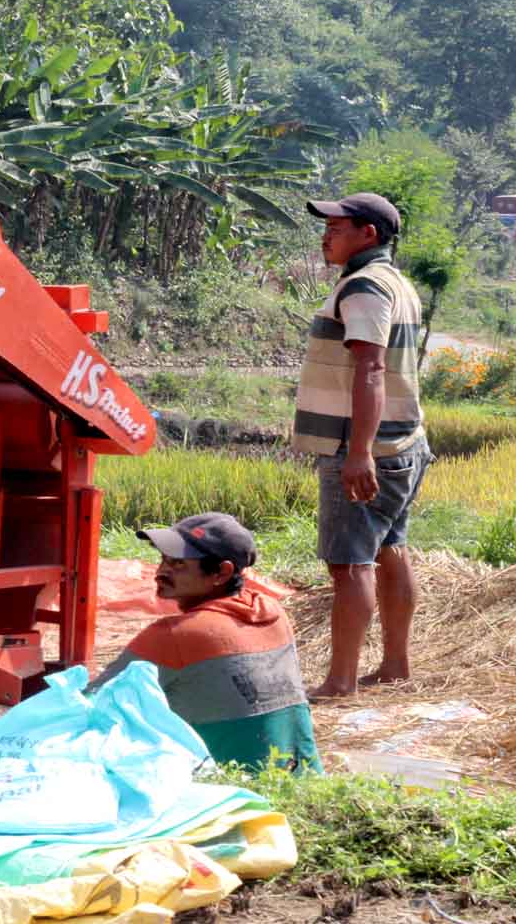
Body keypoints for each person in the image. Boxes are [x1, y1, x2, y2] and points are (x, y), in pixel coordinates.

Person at [295, 192, 432, 699]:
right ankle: (395, 665)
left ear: (367, 234)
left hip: (366, 448)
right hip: (405, 443)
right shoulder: (394, 281)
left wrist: (358, 452)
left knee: (349, 564)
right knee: (390, 550)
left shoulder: (365, 287)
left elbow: (370, 369)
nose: (326, 234)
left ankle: (340, 682)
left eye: (337, 226)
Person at [94, 513, 320, 771]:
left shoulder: (173, 634)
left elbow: (92, 703)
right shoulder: (271, 610)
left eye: (178, 564)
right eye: (163, 560)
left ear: (222, 573)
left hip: (231, 788)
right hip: (299, 777)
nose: (160, 572)